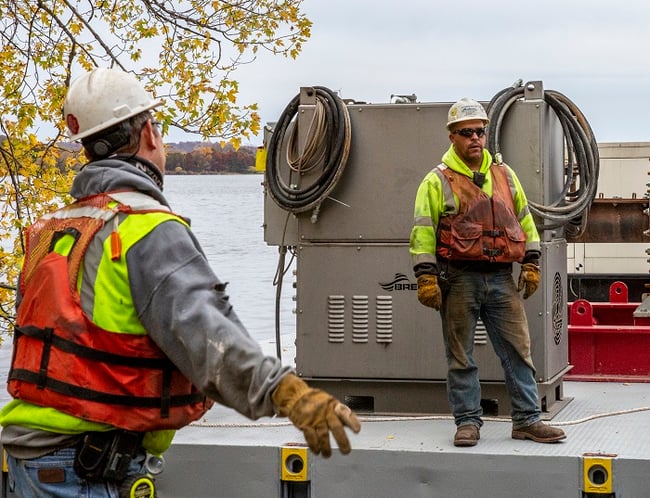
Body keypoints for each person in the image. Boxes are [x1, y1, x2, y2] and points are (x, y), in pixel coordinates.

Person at [0, 67, 361, 497]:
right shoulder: (146, 228)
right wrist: (290, 395)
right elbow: (208, 337)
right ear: (149, 134)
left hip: (32, 459)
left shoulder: (54, 229)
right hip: (85, 468)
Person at [409, 97, 566, 448]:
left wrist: (531, 262)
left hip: (500, 278)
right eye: (466, 133)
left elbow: (524, 219)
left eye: (480, 131)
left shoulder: (505, 175)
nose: (475, 138)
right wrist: (425, 276)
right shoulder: (436, 181)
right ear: (452, 137)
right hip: (458, 278)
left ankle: (527, 420)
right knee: (460, 355)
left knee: (518, 350)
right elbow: (422, 230)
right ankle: (467, 422)